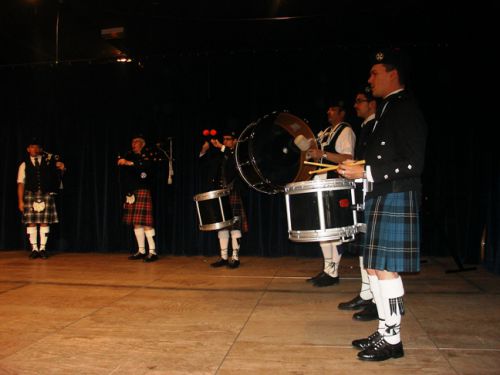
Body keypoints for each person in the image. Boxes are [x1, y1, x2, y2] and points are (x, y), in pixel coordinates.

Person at [338, 49, 427, 361]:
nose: (369, 79)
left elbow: (414, 162)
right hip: (381, 193)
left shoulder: (406, 108)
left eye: (375, 73)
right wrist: (359, 169)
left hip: (396, 193)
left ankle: (393, 339)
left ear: (393, 74)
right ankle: (385, 328)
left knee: (386, 269)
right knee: (375, 266)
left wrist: (367, 171)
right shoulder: (389, 109)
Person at [337, 86, 378, 321]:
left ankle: (375, 300)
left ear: (372, 104)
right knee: (364, 245)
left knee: (372, 249)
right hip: (364, 190)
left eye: (360, 101)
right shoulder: (366, 127)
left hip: (374, 191)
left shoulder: (377, 125)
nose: (356, 105)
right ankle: (366, 293)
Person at [305, 99, 356, 287]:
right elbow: (314, 153)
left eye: (333, 109)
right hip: (320, 183)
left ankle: (333, 272)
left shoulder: (345, 131)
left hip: (335, 184)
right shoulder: (324, 132)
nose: (329, 111)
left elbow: (349, 158)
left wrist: (323, 155)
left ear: (342, 113)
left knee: (334, 230)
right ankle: (328, 269)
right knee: (323, 230)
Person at [199, 129, 248, 269]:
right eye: (224, 139)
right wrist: (203, 151)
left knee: (234, 226)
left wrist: (221, 147)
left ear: (235, 141)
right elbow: (204, 166)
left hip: (233, 193)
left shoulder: (238, 154)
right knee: (222, 227)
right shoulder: (221, 154)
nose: (225, 141)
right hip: (220, 195)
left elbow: (234, 163)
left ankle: (235, 257)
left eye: (228, 139)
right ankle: (224, 257)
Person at [17, 138, 65, 259]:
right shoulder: (24, 164)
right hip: (30, 195)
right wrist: (20, 201)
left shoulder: (48, 162)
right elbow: (21, 183)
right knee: (31, 222)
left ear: (40, 149)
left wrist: (61, 167)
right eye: (32, 147)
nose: (34, 149)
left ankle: (42, 249)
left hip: (45, 194)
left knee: (44, 222)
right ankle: (34, 249)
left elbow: (58, 173)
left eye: (37, 147)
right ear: (28, 149)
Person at [118, 135, 159, 262]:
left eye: (136, 142)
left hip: (143, 189)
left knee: (146, 222)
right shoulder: (129, 155)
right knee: (136, 222)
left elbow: (146, 167)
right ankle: (141, 250)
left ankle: (153, 251)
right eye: (132, 142)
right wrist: (123, 161)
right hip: (131, 191)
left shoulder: (147, 155)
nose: (133, 145)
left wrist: (129, 163)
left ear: (142, 144)